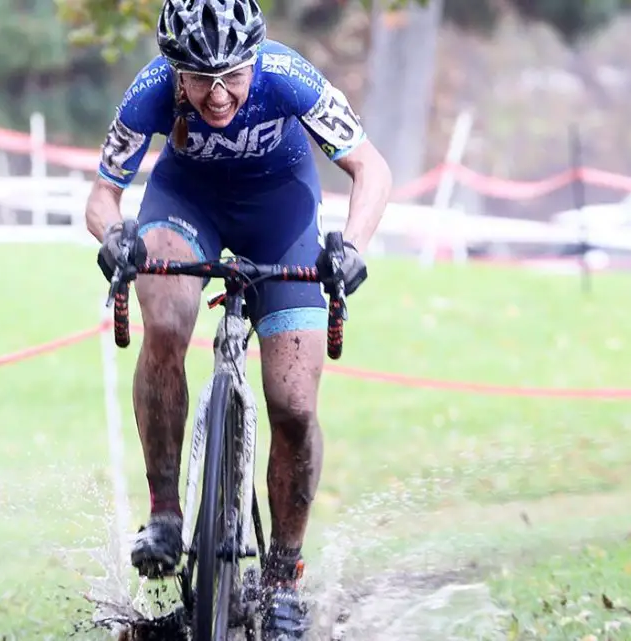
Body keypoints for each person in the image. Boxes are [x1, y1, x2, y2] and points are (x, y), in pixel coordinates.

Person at [84, 0, 392, 637]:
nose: (218, 95)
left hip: (281, 219)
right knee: (165, 321)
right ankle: (166, 513)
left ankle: (282, 577)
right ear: (176, 71)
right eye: (199, 79)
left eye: (232, 76)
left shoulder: (288, 76)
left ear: (255, 61)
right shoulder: (150, 90)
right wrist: (116, 237)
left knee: (294, 403)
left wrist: (353, 247)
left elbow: (371, 168)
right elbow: (102, 197)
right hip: (187, 205)